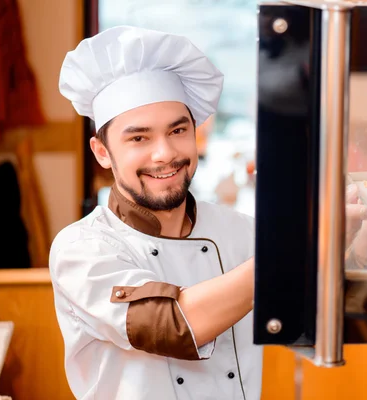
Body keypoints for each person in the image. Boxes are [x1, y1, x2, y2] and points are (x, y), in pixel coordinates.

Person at [50, 26, 261, 400]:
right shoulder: (81, 249)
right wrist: (293, 249)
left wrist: (353, 239)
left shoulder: (243, 234)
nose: (164, 153)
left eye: (178, 130)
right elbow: (172, 324)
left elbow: (310, 320)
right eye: (139, 138)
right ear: (102, 152)